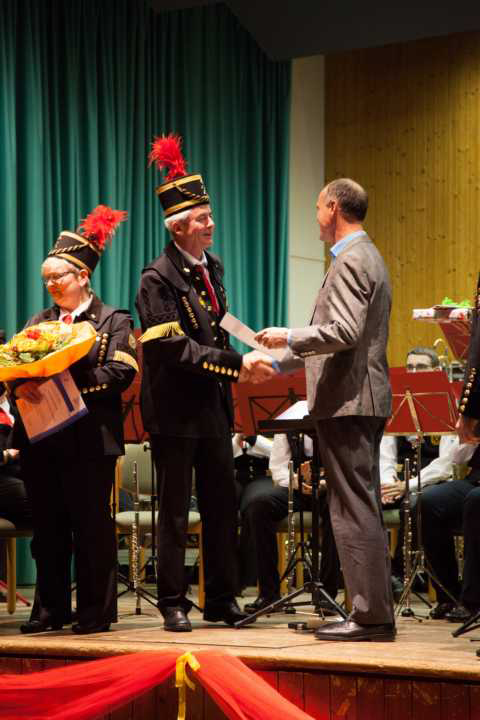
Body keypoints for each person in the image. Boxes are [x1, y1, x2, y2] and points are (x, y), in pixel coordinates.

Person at [136, 134, 275, 632]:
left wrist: (250, 343)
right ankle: (172, 601)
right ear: (178, 227)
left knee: (221, 506)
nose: (211, 223)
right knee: (175, 513)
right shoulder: (156, 278)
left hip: (213, 408)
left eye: (210, 216)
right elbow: (172, 348)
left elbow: (216, 326)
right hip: (174, 412)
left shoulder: (211, 267)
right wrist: (237, 366)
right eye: (201, 219)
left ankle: (221, 598)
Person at [256, 178, 395, 641]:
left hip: (351, 401)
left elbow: (345, 332)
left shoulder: (352, 259)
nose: (315, 217)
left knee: (354, 507)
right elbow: (339, 337)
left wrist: (289, 335)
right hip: (355, 398)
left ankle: (370, 616)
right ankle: (372, 612)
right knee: (356, 505)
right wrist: (278, 361)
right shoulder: (361, 255)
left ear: (333, 207)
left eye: (318, 207)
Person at [12, 205, 138, 635]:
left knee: (90, 527)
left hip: (89, 438)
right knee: (48, 528)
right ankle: (50, 609)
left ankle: (94, 612)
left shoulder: (114, 320)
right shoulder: (39, 321)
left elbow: (121, 372)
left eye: (58, 277)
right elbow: (16, 370)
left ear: (83, 275)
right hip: (41, 438)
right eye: (46, 279)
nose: (51, 285)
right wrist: (20, 386)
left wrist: (68, 389)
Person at [379, 347, 460, 600]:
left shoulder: (448, 402)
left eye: (421, 367)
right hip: (398, 482)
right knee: (363, 503)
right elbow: (385, 452)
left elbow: (446, 464)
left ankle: (398, 573)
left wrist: (409, 485)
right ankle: (378, 575)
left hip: (432, 482)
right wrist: (386, 484)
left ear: (436, 370)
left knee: (415, 503)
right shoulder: (395, 401)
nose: (414, 372)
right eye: (410, 367)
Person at [241, 432, 341, 614]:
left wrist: (324, 483)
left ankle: (327, 594)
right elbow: (278, 467)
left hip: (330, 488)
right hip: (296, 487)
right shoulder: (288, 421)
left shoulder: (336, 422)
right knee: (258, 506)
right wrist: (297, 482)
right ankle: (269, 594)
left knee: (336, 509)